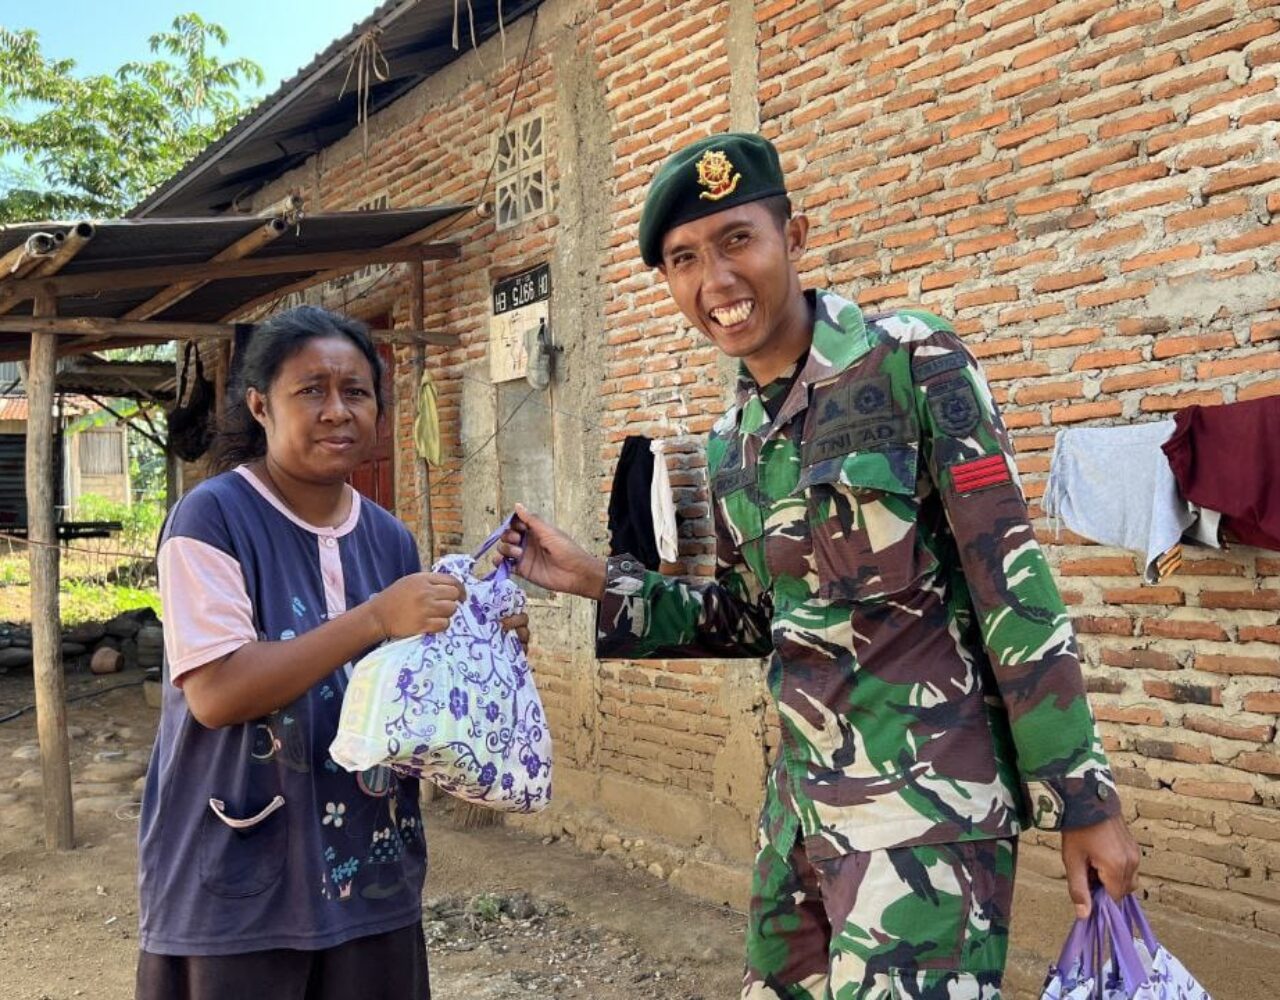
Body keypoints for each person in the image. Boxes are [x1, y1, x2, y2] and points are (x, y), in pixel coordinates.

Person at [497, 133, 1141, 999]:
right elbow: (755, 618)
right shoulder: (733, 445)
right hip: (799, 819)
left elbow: (1010, 583)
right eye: (685, 259)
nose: (715, 282)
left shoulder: (911, 360)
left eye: (737, 240)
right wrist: (591, 580)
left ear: (793, 237)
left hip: (926, 816)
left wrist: (1084, 802)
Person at [135, 306, 528, 1000]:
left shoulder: (388, 539)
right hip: (242, 878)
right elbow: (218, 693)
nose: (337, 410)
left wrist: (480, 656)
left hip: (370, 870)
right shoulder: (212, 519)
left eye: (356, 392)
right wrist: (376, 616)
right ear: (260, 405)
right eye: (310, 390)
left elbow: (407, 700)